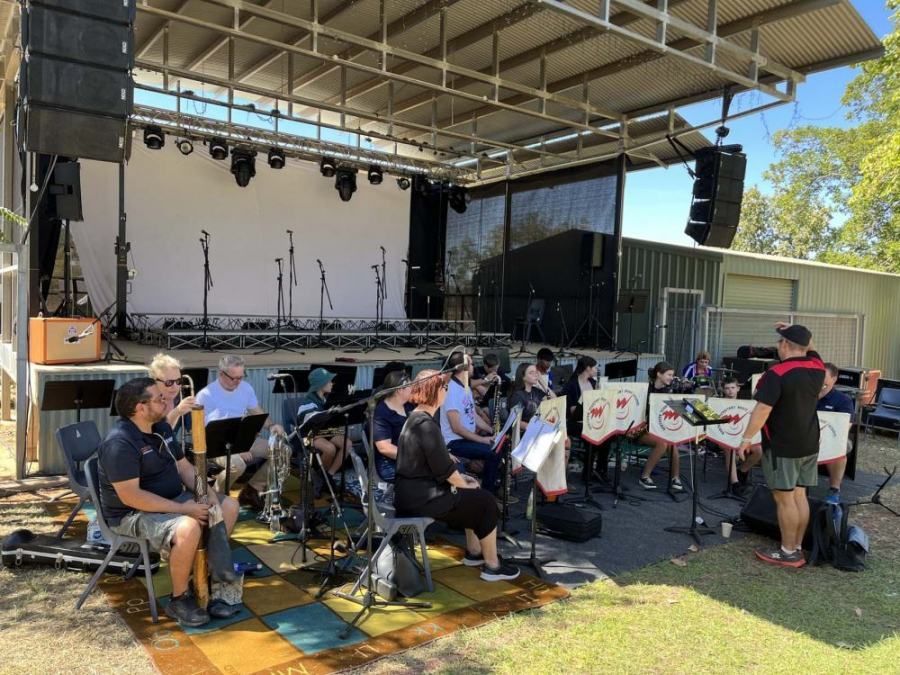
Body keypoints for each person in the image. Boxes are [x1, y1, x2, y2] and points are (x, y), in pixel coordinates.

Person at [97, 377, 239, 627]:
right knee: (189, 526)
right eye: (159, 398)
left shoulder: (161, 428)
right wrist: (184, 509)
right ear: (140, 408)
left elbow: (184, 468)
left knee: (227, 506)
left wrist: (208, 494)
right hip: (132, 513)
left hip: (173, 499)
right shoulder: (120, 443)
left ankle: (209, 581)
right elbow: (131, 496)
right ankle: (179, 598)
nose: (166, 401)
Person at [395, 369, 520, 582]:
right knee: (486, 501)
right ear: (434, 391)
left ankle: (474, 553)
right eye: (444, 387)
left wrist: (465, 483)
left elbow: (436, 466)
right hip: (421, 498)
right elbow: (445, 469)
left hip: (413, 493)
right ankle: (493, 565)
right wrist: (463, 484)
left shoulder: (416, 418)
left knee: (474, 492)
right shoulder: (426, 425)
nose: (446, 390)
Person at [737, 323, 825, 568]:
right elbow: (810, 347)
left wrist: (746, 439)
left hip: (782, 445)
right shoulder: (818, 367)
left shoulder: (777, 373)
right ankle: (796, 547)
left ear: (785, 344)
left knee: (784, 498)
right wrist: (798, 332)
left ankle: (788, 552)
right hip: (809, 442)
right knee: (799, 495)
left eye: (780, 341)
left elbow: (762, 409)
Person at [195, 355, 282, 509]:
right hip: (217, 444)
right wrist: (238, 449)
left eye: (241, 377)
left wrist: (271, 425)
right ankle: (215, 495)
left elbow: (256, 411)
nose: (237, 382)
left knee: (282, 451)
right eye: (233, 378)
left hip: (242, 439)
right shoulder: (206, 395)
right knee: (237, 464)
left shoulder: (245, 388)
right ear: (221, 374)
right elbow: (205, 432)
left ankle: (252, 490)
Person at [440, 351, 500, 492]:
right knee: (493, 453)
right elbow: (456, 428)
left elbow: (473, 414)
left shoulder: (464, 387)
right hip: (454, 442)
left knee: (498, 445)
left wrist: (491, 430)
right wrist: (482, 440)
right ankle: (487, 493)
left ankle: (492, 486)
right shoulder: (452, 391)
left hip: (465, 439)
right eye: (471, 364)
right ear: (464, 368)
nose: (473, 367)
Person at [295, 367, 352, 477]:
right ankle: (320, 477)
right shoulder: (307, 403)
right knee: (330, 449)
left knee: (347, 444)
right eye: (329, 381)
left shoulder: (326, 398)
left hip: (325, 432)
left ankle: (330, 474)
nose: (332, 383)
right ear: (321, 385)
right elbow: (307, 424)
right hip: (310, 436)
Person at [637, 362, 683, 492]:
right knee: (663, 443)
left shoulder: (668, 391)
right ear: (659, 374)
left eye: (672, 375)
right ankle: (645, 476)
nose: (671, 378)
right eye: (669, 375)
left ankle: (675, 477)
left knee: (672, 443)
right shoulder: (645, 389)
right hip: (642, 430)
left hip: (660, 429)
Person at [817, 362, 855, 504]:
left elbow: (845, 427)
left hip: (831, 438)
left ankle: (834, 489)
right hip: (805, 435)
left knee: (841, 448)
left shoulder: (843, 400)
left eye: (824, 378)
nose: (820, 381)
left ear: (834, 379)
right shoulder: (806, 395)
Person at [372, 369, 414, 494]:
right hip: (390, 464)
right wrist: (417, 457)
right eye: (410, 386)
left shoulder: (408, 406)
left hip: (410, 457)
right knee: (433, 474)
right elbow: (385, 448)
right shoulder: (382, 413)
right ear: (400, 390)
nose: (412, 388)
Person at [721, 376, 762, 496]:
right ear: (723, 390)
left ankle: (742, 471)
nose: (730, 391)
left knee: (759, 451)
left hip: (743, 435)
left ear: (738, 388)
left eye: (733, 388)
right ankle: (735, 484)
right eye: (727, 388)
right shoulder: (718, 403)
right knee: (730, 449)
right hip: (724, 435)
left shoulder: (746, 404)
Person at [148, 353, 196, 434]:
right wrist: (177, 412)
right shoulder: (145, 403)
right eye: (169, 382)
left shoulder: (178, 399)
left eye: (178, 381)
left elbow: (193, 429)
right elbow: (159, 435)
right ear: (154, 381)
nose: (175, 387)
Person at [508, 363, 552, 433]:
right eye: (531, 373)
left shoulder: (536, 391)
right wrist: (536, 429)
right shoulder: (518, 395)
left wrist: (542, 382)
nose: (536, 375)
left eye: (536, 372)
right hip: (525, 433)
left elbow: (555, 400)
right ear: (523, 377)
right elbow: (515, 421)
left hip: (538, 429)